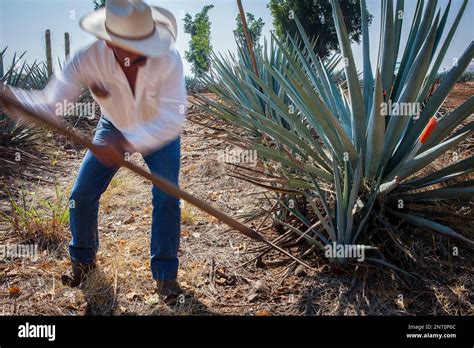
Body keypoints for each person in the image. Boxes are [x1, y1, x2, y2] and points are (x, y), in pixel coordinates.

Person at [0, 0, 187, 303]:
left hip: (159, 130)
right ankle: (83, 263)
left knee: (167, 196)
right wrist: (15, 101)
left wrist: (125, 144)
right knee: (81, 196)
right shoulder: (86, 59)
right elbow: (51, 105)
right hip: (112, 126)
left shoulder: (167, 58)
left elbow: (173, 117)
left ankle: (166, 276)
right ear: (109, 39)